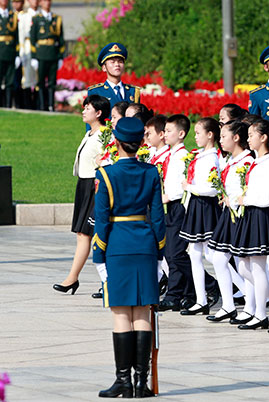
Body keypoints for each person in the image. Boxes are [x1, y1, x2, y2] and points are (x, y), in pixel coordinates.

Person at [92, 117, 166, 398]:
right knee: (142, 313)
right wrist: (160, 252)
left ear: (118, 143)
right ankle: (140, 383)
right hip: (146, 244)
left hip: (118, 246)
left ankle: (123, 380)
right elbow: (158, 217)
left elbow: (101, 220)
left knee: (121, 313)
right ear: (140, 144)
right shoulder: (151, 172)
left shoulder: (106, 174)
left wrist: (98, 256)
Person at [231, 119, 269, 330]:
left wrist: (244, 200)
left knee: (256, 266)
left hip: (260, 214)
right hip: (251, 214)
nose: (248, 139)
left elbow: (268, 196)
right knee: (245, 266)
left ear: (263, 137)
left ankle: (261, 314)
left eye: (252, 135)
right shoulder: (258, 162)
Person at [52, 94, 110, 295]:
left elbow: (108, 161)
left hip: (95, 185)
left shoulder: (105, 134)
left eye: (88, 108)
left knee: (90, 233)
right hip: (84, 185)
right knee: (82, 233)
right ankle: (74, 278)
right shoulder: (90, 133)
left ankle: (86, 279)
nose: (84, 111)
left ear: (99, 113)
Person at [207, 120, 254, 322]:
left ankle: (255, 305)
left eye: (224, 136)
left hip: (241, 214)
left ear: (236, 138)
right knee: (218, 257)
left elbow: (248, 191)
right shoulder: (230, 160)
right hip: (229, 213)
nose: (221, 140)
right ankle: (228, 305)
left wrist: (233, 200)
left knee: (245, 263)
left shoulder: (246, 162)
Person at [178, 118, 222, 316]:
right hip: (196, 205)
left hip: (205, 205)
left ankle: (248, 293)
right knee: (194, 254)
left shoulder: (212, 158)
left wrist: (190, 188)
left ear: (210, 135)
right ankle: (201, 299)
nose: (195, 137)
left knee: (213, 255)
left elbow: (212, 189)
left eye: (198, 133)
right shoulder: (202, 156)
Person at [157, 114, 196, 312]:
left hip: (178, 206)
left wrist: (168, 196)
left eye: (169, 131)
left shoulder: (182, 156)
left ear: (181, 134)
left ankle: (206, 286)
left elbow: (184, 186)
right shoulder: (171, 155)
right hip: (171, 206)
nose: (165, 134)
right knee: (172, 253)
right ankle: (180, 292)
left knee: (176, 253)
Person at [29, 0, 64, 111]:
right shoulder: (36, 19)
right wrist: (34, 57)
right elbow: (33, 38)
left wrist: (60, 57)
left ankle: (50, 105)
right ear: (40, 3)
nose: (47, 3)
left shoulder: (56, 19)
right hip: (41, 54)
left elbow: (61, 39)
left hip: (53, 54)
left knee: (52, 82)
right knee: (41, 82)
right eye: (44, 1)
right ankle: (42, 105)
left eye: (49, 1)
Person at [87, 42, 141, 109]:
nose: (117, 64)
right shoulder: (96, 92)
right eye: (112, 62)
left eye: (120, 61)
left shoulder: (133, 91)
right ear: (104, 68)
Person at [17, 0, 38, 109]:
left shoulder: (39, 15)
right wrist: (21, 52)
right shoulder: (24, 16)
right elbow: (21, 35)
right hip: (28, 48)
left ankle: (38, 104)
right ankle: (27, 105)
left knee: (39, 78)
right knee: (27, 78)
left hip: (39, 49)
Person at [0, 0, 19, 108]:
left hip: (10, 52)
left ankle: (7, 105)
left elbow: (16, 37)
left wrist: (17, 54)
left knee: (9, 82)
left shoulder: (13, 16)